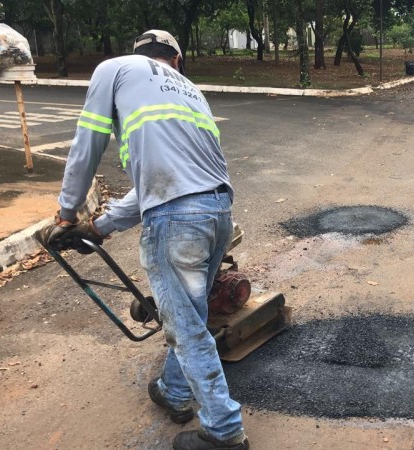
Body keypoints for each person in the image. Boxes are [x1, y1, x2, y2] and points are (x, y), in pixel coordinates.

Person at [37, 30, 248, 450]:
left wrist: (66, 215)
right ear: (177, 60)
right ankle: (174, 391)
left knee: (188, 328)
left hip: (176, 219)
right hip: (217, 212)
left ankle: (225, 432)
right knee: (189, 313)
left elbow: (87, 144)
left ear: (141, 55)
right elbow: (163, 182)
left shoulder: (114, 68)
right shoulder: (191, 92)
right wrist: (99, 228)